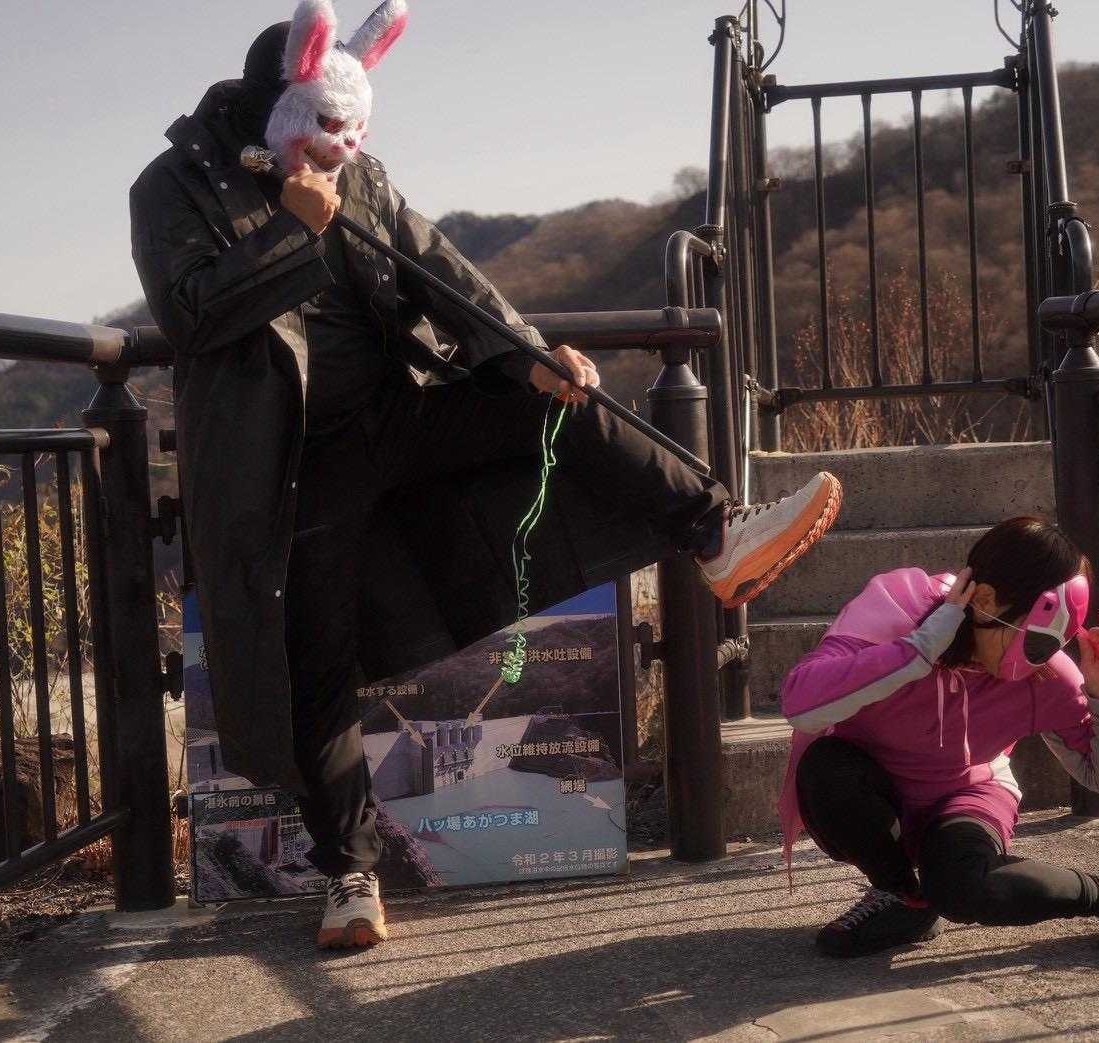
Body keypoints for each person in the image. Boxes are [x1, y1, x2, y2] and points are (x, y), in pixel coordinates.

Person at [130, 0, 843, 949]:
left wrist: (527, 353)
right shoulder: (174, 183)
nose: (336, 147)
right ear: (276, 109)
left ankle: (715, 532)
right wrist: (288, 234)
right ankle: (348, 875)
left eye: (347, 129)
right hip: (288, 461)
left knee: (562, 398)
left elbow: (442, 271)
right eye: (320, 128)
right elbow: (187, 316)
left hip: (396, 411)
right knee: (313, 660)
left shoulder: (356, 170)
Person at [778, 517, 1099, 959]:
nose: (1039, 660)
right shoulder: (897, 608)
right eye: (1035, 641)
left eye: (1054, 644)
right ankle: (905, 897)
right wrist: (918, 649)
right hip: (873, 792)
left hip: (967, 797)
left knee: (964, 888)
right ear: (986, 600)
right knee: (825, 769)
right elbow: (801, 704)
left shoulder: (1045, 677)